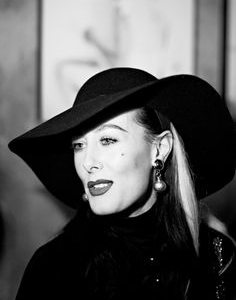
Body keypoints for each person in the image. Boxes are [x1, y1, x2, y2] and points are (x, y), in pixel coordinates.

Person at [9, 67, 236, 300]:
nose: (88, 162)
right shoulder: (52, 268)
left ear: (160, 149)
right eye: (79, 145)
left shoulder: (216, 258)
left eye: (107, 139)